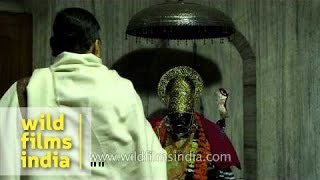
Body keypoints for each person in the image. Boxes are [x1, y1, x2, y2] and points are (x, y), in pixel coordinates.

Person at [0, 8, 167, 180]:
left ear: (53, 45)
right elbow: (152, 160)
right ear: (96, 46)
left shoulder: (24, 91)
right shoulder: (123, 90)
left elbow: (4, 159)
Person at [151, 66, 241, 180]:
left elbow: (226, 175)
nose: (179, 123)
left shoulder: (211, 133)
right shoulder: (155, 131)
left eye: (184, 118)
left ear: (192, 116)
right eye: (175, 118)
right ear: (169, 117)